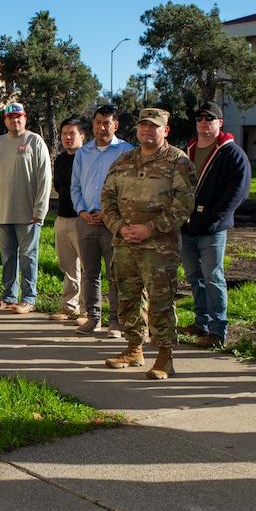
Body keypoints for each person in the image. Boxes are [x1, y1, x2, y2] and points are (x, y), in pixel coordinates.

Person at [99, 108, 196, 380]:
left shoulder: (178, 162)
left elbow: (184, 205)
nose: (147, 130)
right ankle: (134, 348)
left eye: (154, 126)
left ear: (165, 130)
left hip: (159, 246)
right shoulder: (124, 160)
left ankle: (165, 357)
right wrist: (120, 227)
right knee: (127, 297)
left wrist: (149, 229)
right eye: (143, 125)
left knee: (160, 300)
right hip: (125, 242)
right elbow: (107, 198)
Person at [178, 101, 250, 348]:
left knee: (213, 277)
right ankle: (201, 322)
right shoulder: (187, 150)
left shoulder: (231, 153)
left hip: (212, 229)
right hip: (186, 228)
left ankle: (218, 330)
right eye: (200, 119)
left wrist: (213, 219)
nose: (204, 123)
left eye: (209, 119)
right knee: (194, 276)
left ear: (220, 123)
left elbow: (237, 191)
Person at [0, 102, 52, 314]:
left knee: (28, 257)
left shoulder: (35, 141)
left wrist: (40, 210)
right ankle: (8, 296)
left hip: (27, 213)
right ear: (5, 120)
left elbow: (44, 178)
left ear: (25, 118)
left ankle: (29, 298)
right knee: (7, 257)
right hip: (2, 211)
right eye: (11, 117)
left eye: (19, 116)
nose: (15, 120)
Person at [73, 105, 133, 336]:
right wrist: (81, 211)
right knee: (90, 273)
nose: (101, 127)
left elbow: (129, 190)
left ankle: (116, 322)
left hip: (113, 223)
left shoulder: (126, 152)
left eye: (107, 123)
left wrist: (111, 214)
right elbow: (75, 186)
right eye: (98, 122)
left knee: (114, 274)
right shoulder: (83, 153)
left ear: (115, 125)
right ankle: (92, 318)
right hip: (86, 221)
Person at [51, 117, 88, 324]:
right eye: (64, 133)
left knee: (87, 267)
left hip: (81, 220)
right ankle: (69, 306)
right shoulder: (61, 159)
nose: (67, 137)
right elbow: (58, 186)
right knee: (67, 266)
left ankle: (88, 311)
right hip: (62, 217)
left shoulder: (87, 158)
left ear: (82, 136)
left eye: (72, 133)